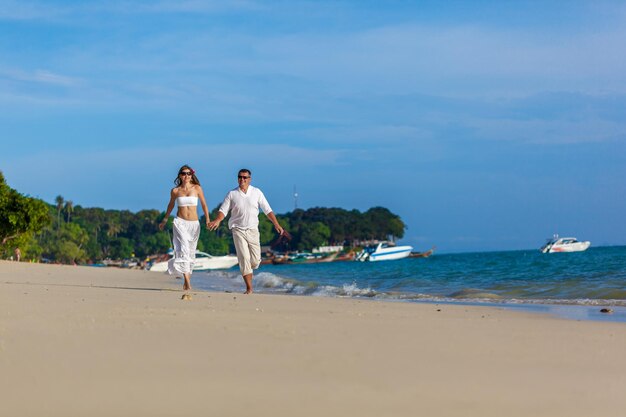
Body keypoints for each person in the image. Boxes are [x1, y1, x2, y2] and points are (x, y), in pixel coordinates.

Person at [208, 169, 284, 294]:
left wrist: (276, 224)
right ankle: (249, 288)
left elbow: (267, 210)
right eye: (240, 177)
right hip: (237, 229)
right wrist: (217, 220)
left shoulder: (257, 192)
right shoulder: (232, 194)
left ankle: (250, 268)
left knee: (255, 261)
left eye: (245, 177)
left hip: (253, 229)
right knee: (243, 258)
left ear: (250, 179)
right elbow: (223, 210)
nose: (242, 179)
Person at [159, 165, 211, 291]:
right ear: (179, 175)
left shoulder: (197, 188)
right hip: (180, 222)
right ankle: (187, 281)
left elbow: (204, 204)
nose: (186, 176)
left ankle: (187, 278)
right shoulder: (175, 191)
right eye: (183, 173)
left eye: (188, 173)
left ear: (191, 175)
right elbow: (171, 205)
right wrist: (165, 220)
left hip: (194, 224)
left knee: (191, 252)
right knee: (184, 249)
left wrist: (208, 219)